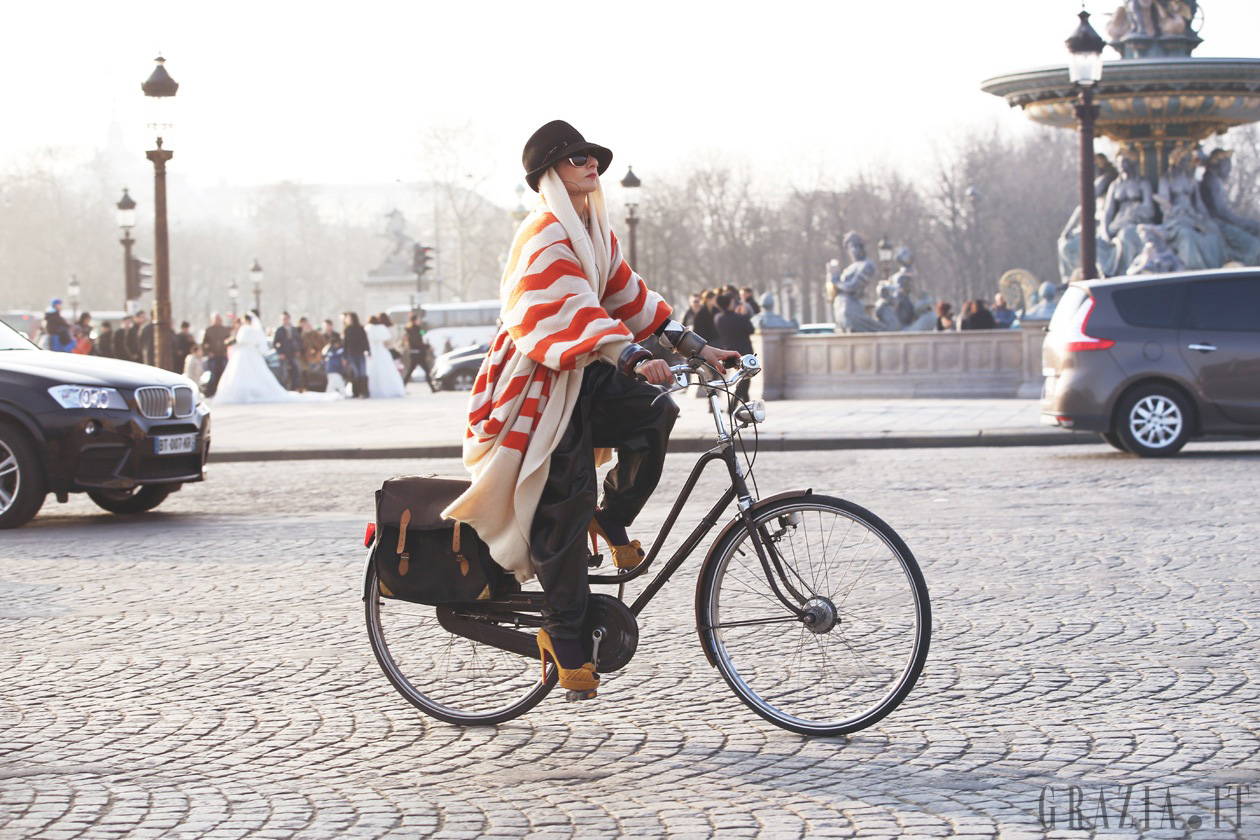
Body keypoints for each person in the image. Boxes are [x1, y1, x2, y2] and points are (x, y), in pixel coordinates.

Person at [441, 120, 738, 696]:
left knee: (655, 411)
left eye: (591, 157)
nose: (590, 165)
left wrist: (701, 349)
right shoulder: (544, 234)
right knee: (564, 500)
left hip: (585, 370)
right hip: (536, 384)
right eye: (575, 158)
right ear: (550, 174)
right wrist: (628, 355)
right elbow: (571, 308)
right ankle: (566, 641)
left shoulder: (595, 233)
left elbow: (632, 297)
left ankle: (616, 514)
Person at [214, 313, 334, 404]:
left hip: (244, 353)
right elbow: (261, 345)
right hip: (250, 354)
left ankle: (243, 393)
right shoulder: (256, 331)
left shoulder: (244, 329)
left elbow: (240, 341)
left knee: (241, 374)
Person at [714, 293, 754, 404]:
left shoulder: (718, 318)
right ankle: (733, 404)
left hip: (728, 351)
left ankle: (746, 402)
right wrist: (745, 316)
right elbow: (750, 329)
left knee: (742, 378)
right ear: (729, 304)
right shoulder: (739, 318)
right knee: (745, 379)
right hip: (743, 351)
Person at [365, 313, 406, 398]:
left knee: (373, 371)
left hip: (376, 350)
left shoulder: (369, 328)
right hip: (383, 351)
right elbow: (388, 338)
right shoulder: (384, 328)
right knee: (388, 370)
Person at [403, 312, 438, 392]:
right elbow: (418, 342)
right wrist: (428, 347)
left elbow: (422, 338)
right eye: (419, 319)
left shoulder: (418, 329)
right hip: (416, 354)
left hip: (419, 353)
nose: (420, 321)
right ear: (415, 320)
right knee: (412, 371)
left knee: (425, 370)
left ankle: (432, 388)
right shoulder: (412, 330)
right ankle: (402, 386)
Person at [202, 313, 232, 397]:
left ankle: (223, 391)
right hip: (213, 355)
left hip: (222, 354)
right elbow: (204, 344)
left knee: (224, 373)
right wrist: (208, 352)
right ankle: (210, 391)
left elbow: (229, 342)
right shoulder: (209, 330)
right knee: (213, 374)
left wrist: (227, 351)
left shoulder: (225, 330)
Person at [342, 312, 369, 398]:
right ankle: (356, 392)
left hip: (360, 352)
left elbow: (365, 340)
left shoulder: (360, 328)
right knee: (355, 373)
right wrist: (345, 357)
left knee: (362, 372)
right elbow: (345, 344)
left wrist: (368, 350)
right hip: (351, 354)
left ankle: (364, 392)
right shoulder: (347, 330)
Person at [273, 312, 303, 391]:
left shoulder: (293, 329)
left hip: (293, 353)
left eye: (286, 318)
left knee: (297, 370)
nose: (285, 320)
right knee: (284, 373)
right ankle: (284, 388)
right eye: (283, 319)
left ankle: (295, 387)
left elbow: (298, 340)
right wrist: (280, 353)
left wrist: (298, 350)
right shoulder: (279, 330)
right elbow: (275, 343)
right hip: (284, 354)